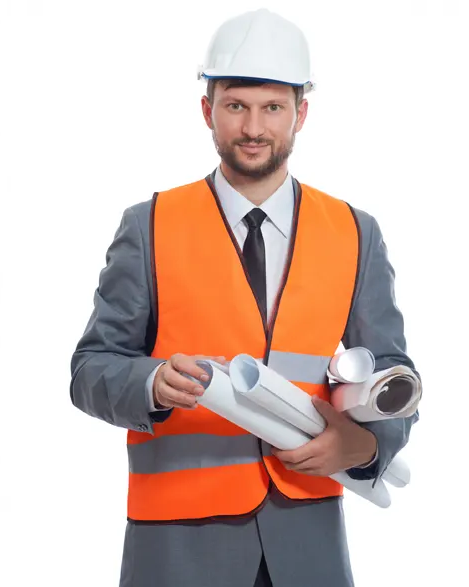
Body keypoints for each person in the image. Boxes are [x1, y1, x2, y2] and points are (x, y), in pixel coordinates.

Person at [70, 8, 421, 587]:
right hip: (177, 544)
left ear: (300, 114)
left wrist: (361, 445)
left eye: (273, 108)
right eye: (236, 105)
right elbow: (89, 369)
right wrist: (151, 384)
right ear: (207, 110)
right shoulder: (149, 226)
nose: (254, 127)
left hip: (307, 538)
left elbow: (392, 374)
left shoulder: (355, 231)